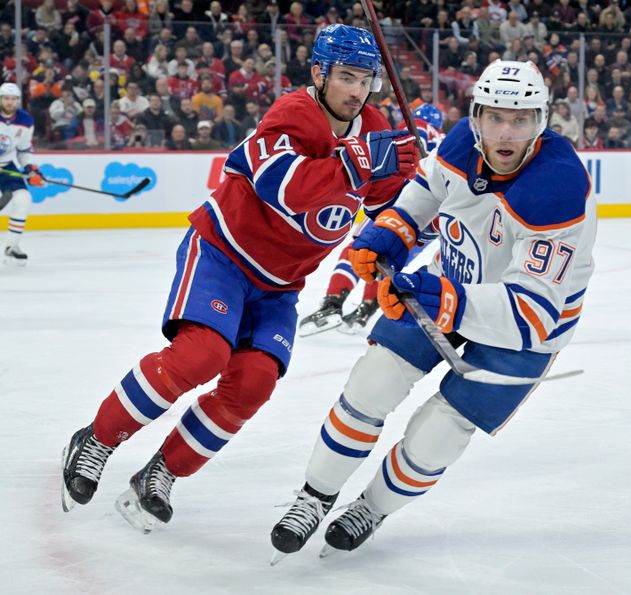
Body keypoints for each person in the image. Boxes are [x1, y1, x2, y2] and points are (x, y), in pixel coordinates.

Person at [59, 24, 417, 534]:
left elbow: (384, 208)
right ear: (319, 73)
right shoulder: (294, 113)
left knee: (252, 383)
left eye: (365, 79)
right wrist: (362, 162)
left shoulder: (377, 128)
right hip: (224, 254)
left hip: (280, 284)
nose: (356, 91)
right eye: (345, 77)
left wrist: (412, 188)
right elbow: (283, 187)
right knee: (200, 355)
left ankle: (161, 473)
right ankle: (96, 439)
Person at [270, 60, 596, 560]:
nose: (506, 133)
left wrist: (443, 299)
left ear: (542, 121)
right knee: (371, 381)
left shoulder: (557, 189)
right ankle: (314, 497)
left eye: (521, 119)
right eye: (494, 118)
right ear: (476, 115)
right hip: (452, 281)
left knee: (440, 433)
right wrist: (388, 236)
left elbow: (531, 314)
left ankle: (371, 508)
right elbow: (423, 196)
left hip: (521, 330)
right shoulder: (462, 142)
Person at [298, 103, 446, 336]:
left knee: (359, 250)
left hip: (406, 202)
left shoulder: (413, 126)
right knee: (390, 262)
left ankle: (332, 304)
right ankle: (365, 312)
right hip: (433, 215)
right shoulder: (445, 141)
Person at [0, 83, 44, 265]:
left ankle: (12, 246)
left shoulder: (25, 120)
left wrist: (31, 169)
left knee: (23, 198)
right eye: (6, 98)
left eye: (14, 99)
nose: (10, 102)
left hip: (6, 167)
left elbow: (24, 149)